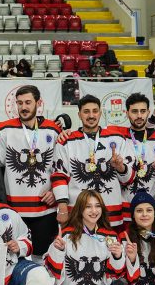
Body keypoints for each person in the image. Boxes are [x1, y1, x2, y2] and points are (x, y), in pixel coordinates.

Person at [0, 85, 61, 285]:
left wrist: (56, 191)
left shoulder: (53, 130)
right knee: (11, 260)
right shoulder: (4, 130)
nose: (23, 107)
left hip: (44, 211)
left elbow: (59, 167)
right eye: (19, 102)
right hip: (15, 211)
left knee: (40, 263)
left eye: (27, 102)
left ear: (37, 103)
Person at [52, 95, 134, 230]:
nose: (91, 115)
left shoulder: (117, 139)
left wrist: (120, 167)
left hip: (110, 212)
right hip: (77, 212)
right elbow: (59, 177)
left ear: (100, 113)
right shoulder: (66, 141)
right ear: (79, 114)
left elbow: (128, 179)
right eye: (86, 111)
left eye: (95, 111)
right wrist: (62, 208)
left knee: (112, 249)